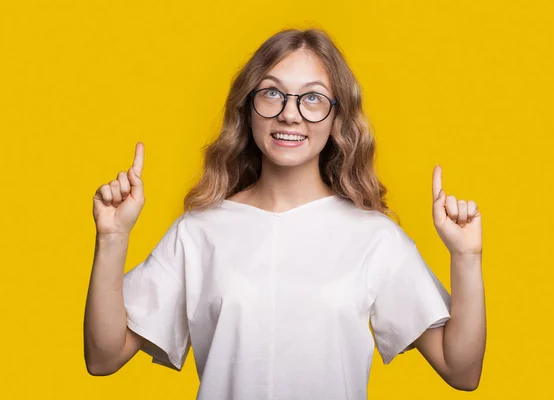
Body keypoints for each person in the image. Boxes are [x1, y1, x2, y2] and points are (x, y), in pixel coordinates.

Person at [84, 28, 486, 399]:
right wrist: (112, 238)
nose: (290, 114)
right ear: (248, 107)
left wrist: (466, 258)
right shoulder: (199, 232)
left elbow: (461, 370)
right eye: (273, 93)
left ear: (336, 117)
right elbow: (104, 357)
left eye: (312, 97)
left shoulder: (373, 237)